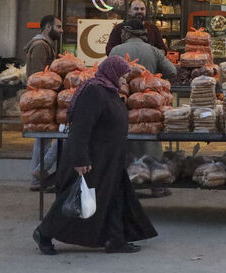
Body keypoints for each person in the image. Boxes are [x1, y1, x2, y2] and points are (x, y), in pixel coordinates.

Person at [33, 55, 157, 255]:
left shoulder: (109, 91)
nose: (125, 80)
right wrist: (81, 159)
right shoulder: (94, 92)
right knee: (77, 201)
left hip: (110, 159)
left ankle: (116, 240)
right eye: (123, 76)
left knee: (115, 198)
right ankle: (44, 232)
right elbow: (81, 128)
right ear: (112, 72)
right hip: (94, 159)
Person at [110, 17, 176, 197]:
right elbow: (172, 71)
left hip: (125, 104)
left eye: (123, 31)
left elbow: (109, 74)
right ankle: (157, 184)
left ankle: (127, 182)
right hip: (150, 105)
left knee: (126, 141)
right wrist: (153, 77)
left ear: (128, 32)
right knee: (151, 142)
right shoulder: (154, 51)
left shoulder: (116, 50)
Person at [24, 15, 63, 191]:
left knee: (44, 139)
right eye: (59, 27)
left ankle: (39, 176)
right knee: (42, 139)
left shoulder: (45, 45)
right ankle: (37, 177)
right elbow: (37, 75)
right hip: (40, 99)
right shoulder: (40, 46)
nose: (61, 30)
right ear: (48, 27)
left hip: (43, 98)